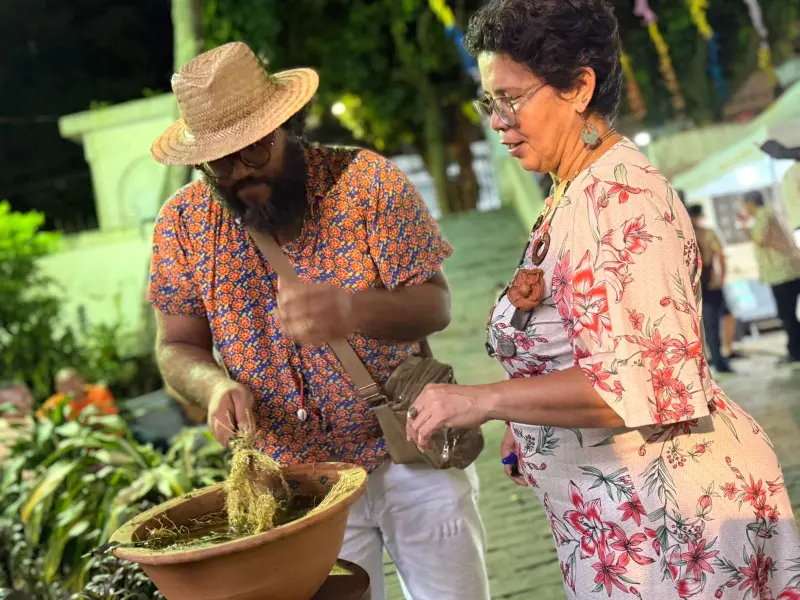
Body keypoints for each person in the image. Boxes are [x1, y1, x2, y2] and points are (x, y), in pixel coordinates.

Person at [406, 1, 800, 598]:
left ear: (579, 87)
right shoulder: (572, 189)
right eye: (489, 101)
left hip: (674, 526)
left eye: (511, 98)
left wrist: (484, 400)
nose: (497, 121)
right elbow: (584, 342)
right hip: (622, 522)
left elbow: (639, 385)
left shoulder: (621, 197)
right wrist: (528, 417)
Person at [148, 42, 489, 600]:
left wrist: (350, 310)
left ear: (284, 125)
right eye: (222, 161)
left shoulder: (366, 183)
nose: (241, 172)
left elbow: (435, 305)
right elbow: (176, 346)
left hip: (414, 453)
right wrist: (212, 387)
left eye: (255, 150)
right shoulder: (182, 226)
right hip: (300, 489)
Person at [739, 190, 800, 364]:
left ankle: (795, 351)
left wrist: (745, 228)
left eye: (744, 204)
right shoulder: (772, 211)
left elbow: (760, 239)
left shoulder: (764, 214)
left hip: (781, 273)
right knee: (790, 313)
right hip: (791, 268)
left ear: (751, 203)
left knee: (786, 314)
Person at [687, 204, 734, 373]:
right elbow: (720, 257)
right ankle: (719, 360)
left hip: (694, 283)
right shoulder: (707, 233)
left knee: (706, 325)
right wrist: (720, 278)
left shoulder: (682, 236)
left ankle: (711, 361)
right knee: (713, 323)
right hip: (709, 282)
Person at [38, 368, 118, 420]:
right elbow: (40, 416)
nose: (70, 387)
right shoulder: (57, 402)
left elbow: (111, 415)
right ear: (58, 389)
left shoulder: (99, 392)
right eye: (64, 385)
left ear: (81, 380)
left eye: (72, 382)